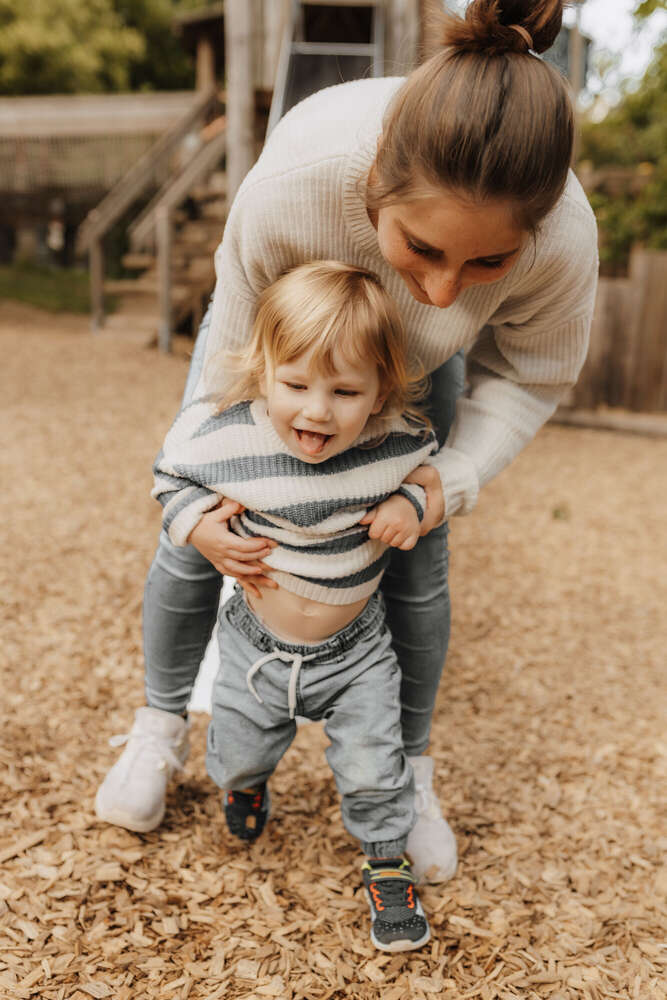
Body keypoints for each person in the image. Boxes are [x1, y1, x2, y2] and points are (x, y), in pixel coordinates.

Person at [95, 0, 598, 884]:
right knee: (195, 527)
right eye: (422, 247)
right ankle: (160, 724)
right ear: (371, 193)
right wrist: (198, 502)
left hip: (415, 368)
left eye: (486, 263)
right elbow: (220, 386)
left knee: (419, 555)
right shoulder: (302, 173)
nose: (442, 293)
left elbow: (533, 374)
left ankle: (410, 770)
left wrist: (449, 477)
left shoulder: (561, 239)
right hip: (279, 339)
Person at [152, 260, 439, 951]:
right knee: (238, 754)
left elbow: (430, 475)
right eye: (296, 385)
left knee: (374, 767)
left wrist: (410, 503)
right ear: (264, 372)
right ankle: (245, 785)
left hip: (358, 653)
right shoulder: (225, 437)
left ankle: (386, 861)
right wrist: (198, 529)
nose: (317, 411)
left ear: (380, 391)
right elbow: (169, 478)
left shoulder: (393, 441)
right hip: (256, 648)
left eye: (345, 391)